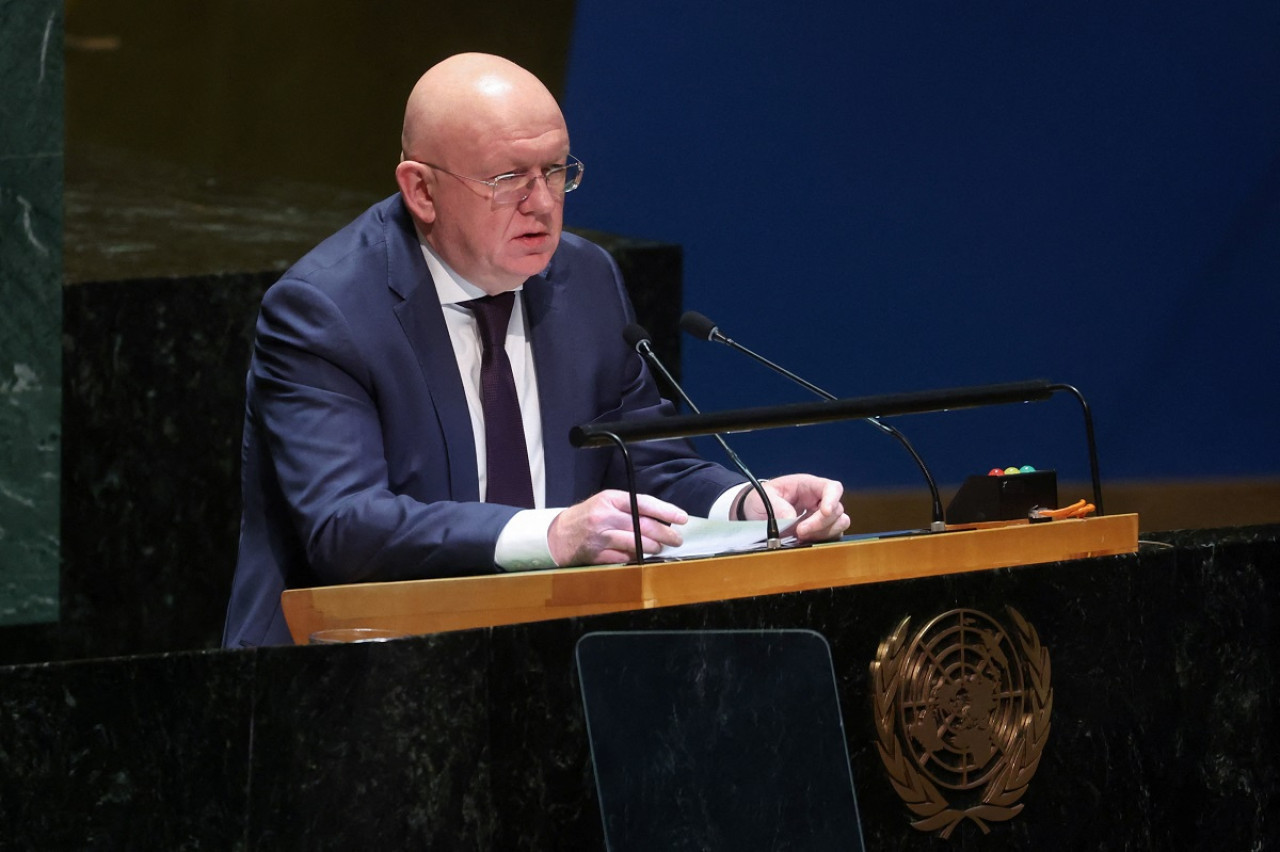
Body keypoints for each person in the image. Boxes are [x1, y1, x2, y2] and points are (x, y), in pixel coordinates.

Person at [223, 53, 850, 647]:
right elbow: (346, 528)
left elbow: (645, 465)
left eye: (556, 170)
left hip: (550, 659)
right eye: (508, 179)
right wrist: (551, 534)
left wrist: (747, 504)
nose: (544, 203)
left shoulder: (586, 281)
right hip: (349, 674)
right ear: (421, 191)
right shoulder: (326, 310)